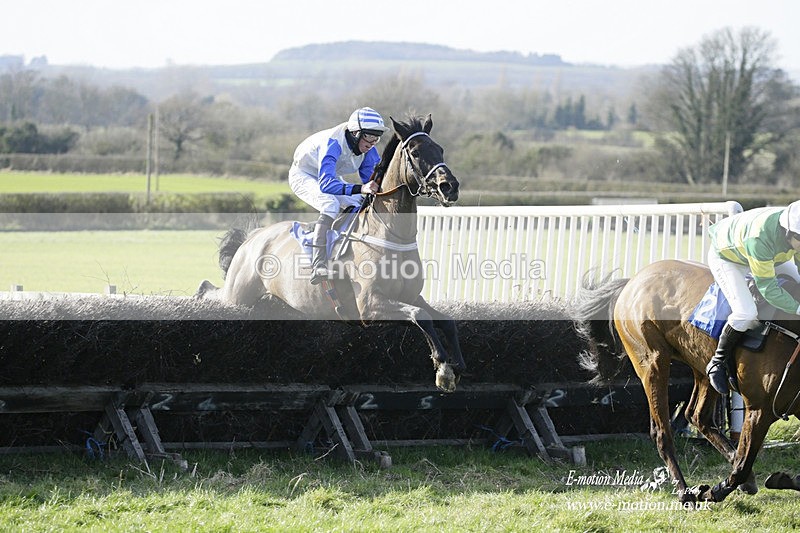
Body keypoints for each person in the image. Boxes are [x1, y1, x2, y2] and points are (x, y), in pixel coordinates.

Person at [705, 200, 800, 394]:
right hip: (728, 257)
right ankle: (717, 363)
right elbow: (769, 289)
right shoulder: (760, 238)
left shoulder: (793, 230)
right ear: (788, 232)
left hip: (767, 253)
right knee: (745, 312)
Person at [288, 107, 388, 284]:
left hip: (328, 176)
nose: (372, 143)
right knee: (330, 204)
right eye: (369, 136)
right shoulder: (333, 142)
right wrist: (361, 188)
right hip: (303, 175)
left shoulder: (368, 150)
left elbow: (371, 183)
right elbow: (326, 185)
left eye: (376, 137)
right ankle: (318, 264)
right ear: (356, 133)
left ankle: (340, 245)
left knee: (360, 202)